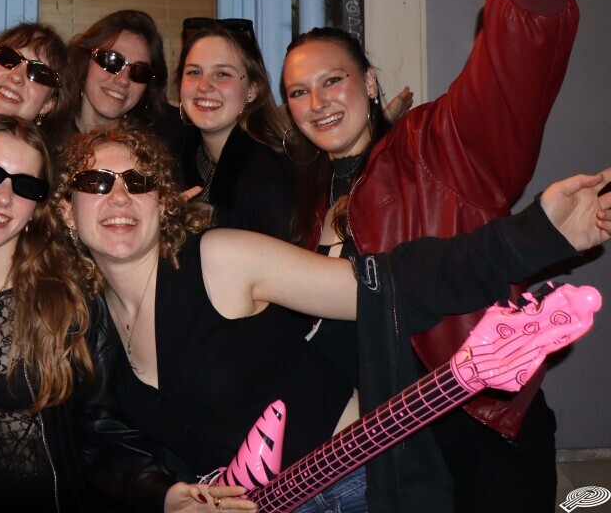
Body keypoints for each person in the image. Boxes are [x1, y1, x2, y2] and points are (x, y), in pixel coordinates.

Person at [278, 0, 611, 511]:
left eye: (333, 80)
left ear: (371, 82)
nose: (317, 102)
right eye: (298, 92)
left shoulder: (434, 146)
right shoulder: (301, 202)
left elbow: (506, 74)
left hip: (475, 427)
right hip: (381, 447)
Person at [54, 126, 611, 513]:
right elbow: (116, 448)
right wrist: (170, 495)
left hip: (355, 487)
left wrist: (537, 234)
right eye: (96, 183)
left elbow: (394, 285)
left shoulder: (219, 259)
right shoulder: (91, 323)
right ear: (66, 212)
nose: (120, 196)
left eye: (138, 182)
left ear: (162, 202)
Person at [0, 116, 254, 512]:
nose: (3, 197)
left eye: (25, 185)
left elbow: (103, 434)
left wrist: (162, 493)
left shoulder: (70, 301)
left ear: (38, 207)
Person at [172, 19, 294, 241]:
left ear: (252, 90)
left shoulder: (271, 176)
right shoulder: (175, 156)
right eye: (194, 72)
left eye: (222, 74)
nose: (204, 86)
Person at [67, 10, 172, 135]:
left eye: (139, 71)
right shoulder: (50, 138)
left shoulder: (168, 137)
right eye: (112, 61)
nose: (123, 80)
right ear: (84, 61)